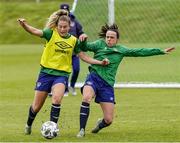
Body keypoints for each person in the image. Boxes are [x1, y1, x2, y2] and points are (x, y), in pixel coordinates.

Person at [17, 9, 109, 135]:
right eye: (60, 26)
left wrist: (100, 62)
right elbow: (34, 31)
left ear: (69, 26)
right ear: (57, 26)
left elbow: (84, 56)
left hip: (61, 75)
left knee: (56, 99)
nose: (62, 29)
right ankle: (28, 124)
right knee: (36, 107)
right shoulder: (50, 33)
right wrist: (24, 25)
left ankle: (52, 128)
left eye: (65, 27)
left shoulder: (73, 40)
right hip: (45, 74)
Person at [76, 23, 175, 137]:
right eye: (107, 37)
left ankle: (100, 125)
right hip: (94, 77)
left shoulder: (121, 50)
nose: (109, 39)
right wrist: (83, 40)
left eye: (112, 37)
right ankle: (81, 130)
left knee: (108, 120)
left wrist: (160, 51)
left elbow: (139, 52)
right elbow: (84, 47)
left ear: (117, 40)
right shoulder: (99, 44)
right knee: (86, 97)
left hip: (107, 84)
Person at [60, 3, 85, 96]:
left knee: (76, 69)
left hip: (74, 52)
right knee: (65, 71)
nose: (65, 13)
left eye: (66, 11)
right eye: (63, 11)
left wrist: (82, 37)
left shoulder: (74, 21)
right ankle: (65, 89)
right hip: (63, 52)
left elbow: (81, 32)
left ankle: (72, 86)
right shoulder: (57, 22)